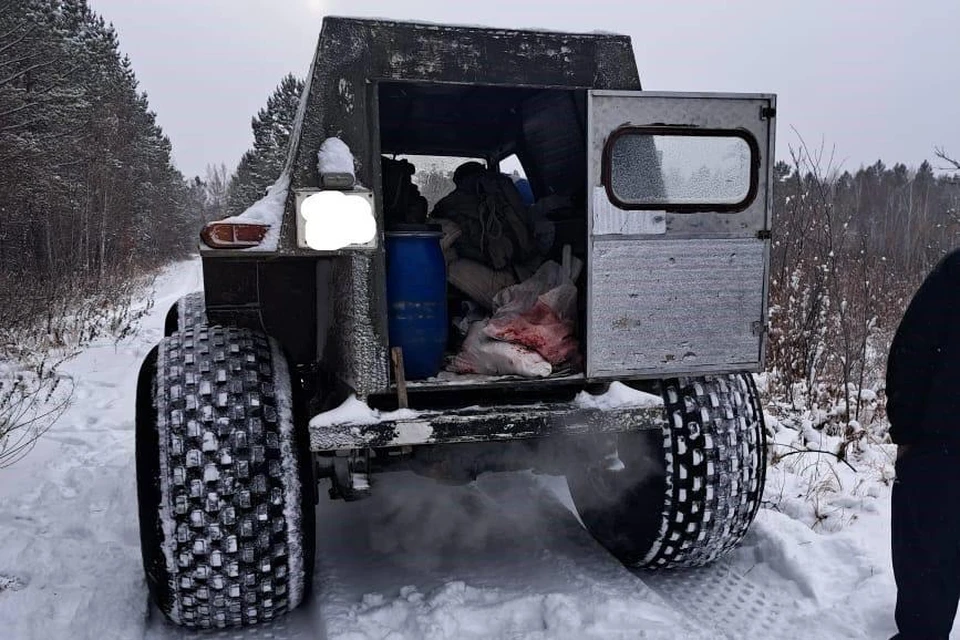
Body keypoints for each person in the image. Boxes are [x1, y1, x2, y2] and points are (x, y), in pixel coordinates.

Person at [886, 247, 960, 639]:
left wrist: (908, 436)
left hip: (940, 455)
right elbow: (912, 352)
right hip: (940, 455)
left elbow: (911, 352)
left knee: (924, 604)